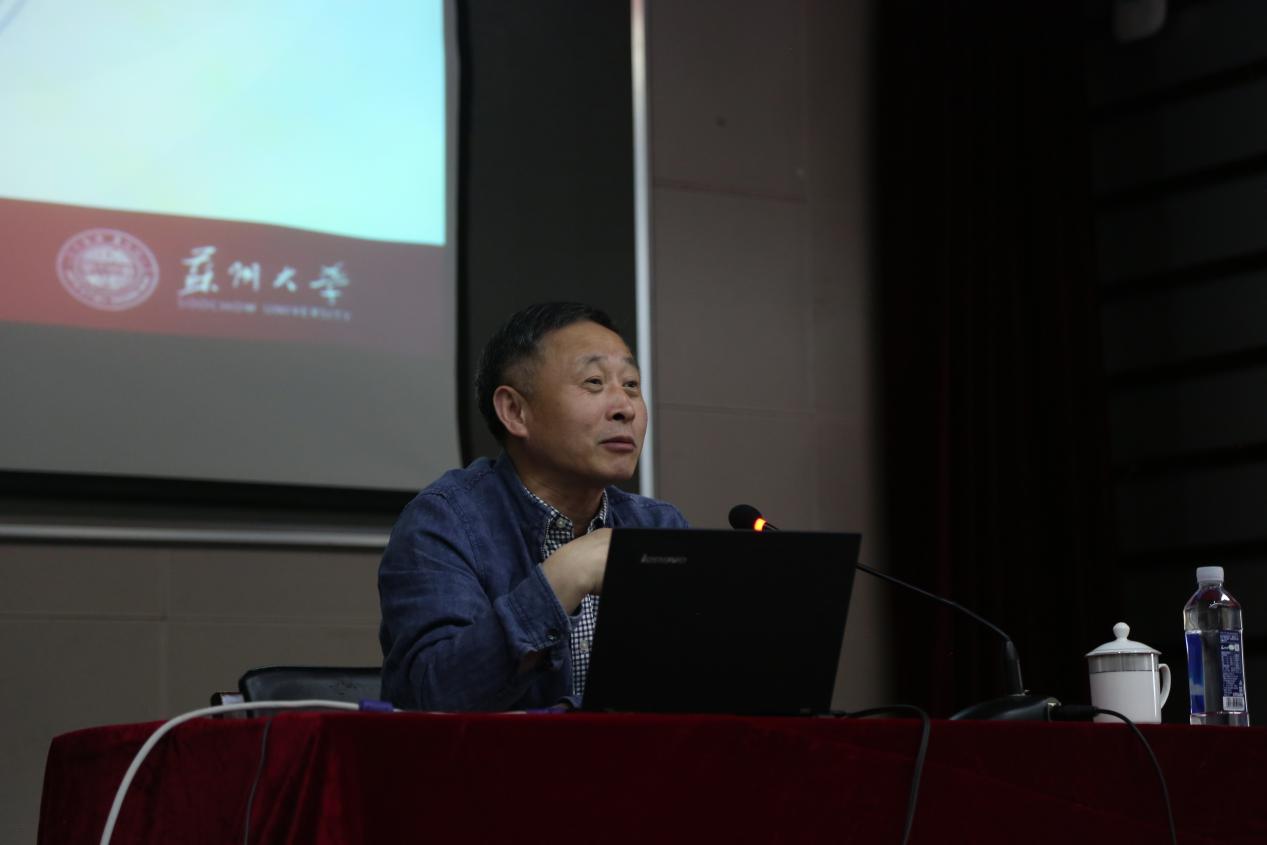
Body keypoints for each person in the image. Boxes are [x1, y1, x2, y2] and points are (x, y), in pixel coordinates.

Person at [379, 302, 689, 710]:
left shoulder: (657, 526)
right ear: (515, 411)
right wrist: (563, 578)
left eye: (631, 384)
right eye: (594, 382)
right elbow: (431, 698)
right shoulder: (444, 522)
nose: (625, 408)